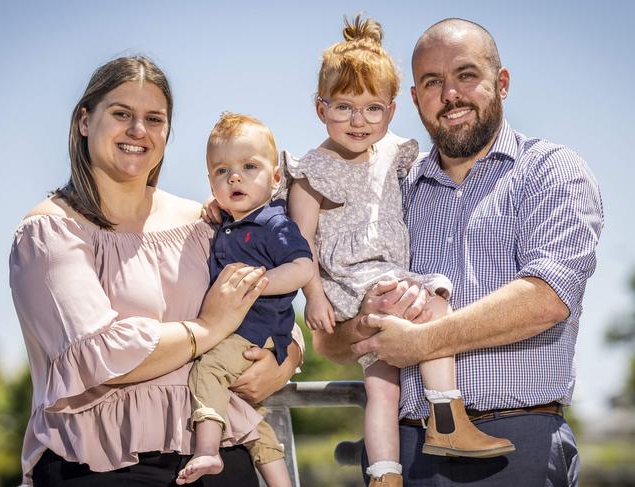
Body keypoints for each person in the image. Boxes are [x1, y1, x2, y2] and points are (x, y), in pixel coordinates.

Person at [314, 18, 603, 487]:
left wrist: (423, 341)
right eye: (432, 82)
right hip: (404, 452)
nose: (450, 94)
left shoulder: (550, 171)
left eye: (466, 75)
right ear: (413, 99)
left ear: (501, 83)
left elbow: (547, 298)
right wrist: (365, 318)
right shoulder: (392, 190)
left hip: (516, 440)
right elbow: (330, 342)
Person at [9, 56, 305, 487]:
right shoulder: (50, 231)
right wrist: (205, 330)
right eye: (121, 114)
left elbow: (265, 297)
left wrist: (285, 356)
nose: (138, 131)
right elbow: (102, 353)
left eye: (154, 118)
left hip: (220, 453)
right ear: (84, 121)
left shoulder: (204, 222)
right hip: (100, 464)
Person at [285, 16, 513, 487]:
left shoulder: (393, 156)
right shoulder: (312, 172)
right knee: (436, 303)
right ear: (319, 108)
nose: (357, 121)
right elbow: (298, 239)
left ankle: (384, 474)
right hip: (353, 281)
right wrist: (316, 298)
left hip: (383, 275)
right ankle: (447, 416)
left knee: (382, 388)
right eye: (343, 108)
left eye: (372, 109)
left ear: (391, 112)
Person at [176, 113, 313, 486]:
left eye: (249, 167)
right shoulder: (228, 224)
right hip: (242, 333)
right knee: (248, 417)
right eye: (222, 171)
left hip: (255, 331)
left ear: (275, 178)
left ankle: (206, 451)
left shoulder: (273, 223)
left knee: (207, 370)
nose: (234, 177)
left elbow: (303, 267)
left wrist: (261, 282)